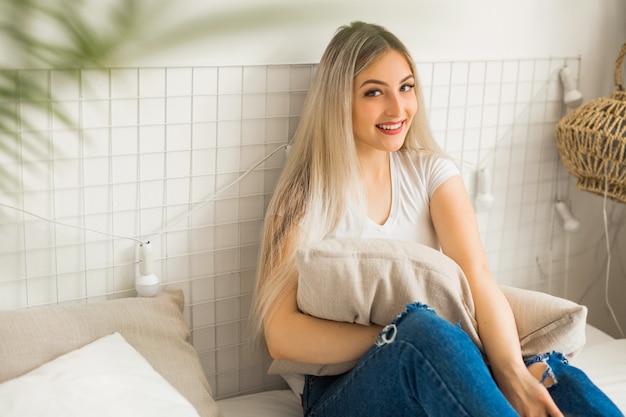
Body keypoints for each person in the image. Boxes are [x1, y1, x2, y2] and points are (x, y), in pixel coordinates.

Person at [250, 21, 623, 417]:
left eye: (406, 87)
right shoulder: (304, 197)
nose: (397, 108)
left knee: (546, 371)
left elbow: (477, 276)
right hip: (337, 391)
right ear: (338, 101)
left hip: (439, 356)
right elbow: (281, 336)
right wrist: (398, 337)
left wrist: (511, 371)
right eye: (374, 92)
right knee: (424, 329)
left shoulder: (432, 174)